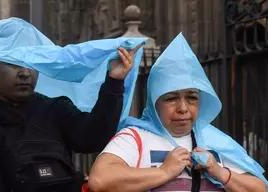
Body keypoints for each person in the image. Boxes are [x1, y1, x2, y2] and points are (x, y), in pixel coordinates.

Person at [0, 18, 145, 192]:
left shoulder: (54, 109)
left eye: (32, 63)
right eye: (14, 62)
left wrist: (114, 82)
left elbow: (92, 138)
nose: (25, 72)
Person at [88, 33, 268, 192]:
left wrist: (220, 172)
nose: (183, 108)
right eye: (171, 98)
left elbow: (259, 188)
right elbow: (99, 181)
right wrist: (164, 172)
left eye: (191, 97)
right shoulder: (134, 138)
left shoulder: (216, 141)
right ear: (154, 102)